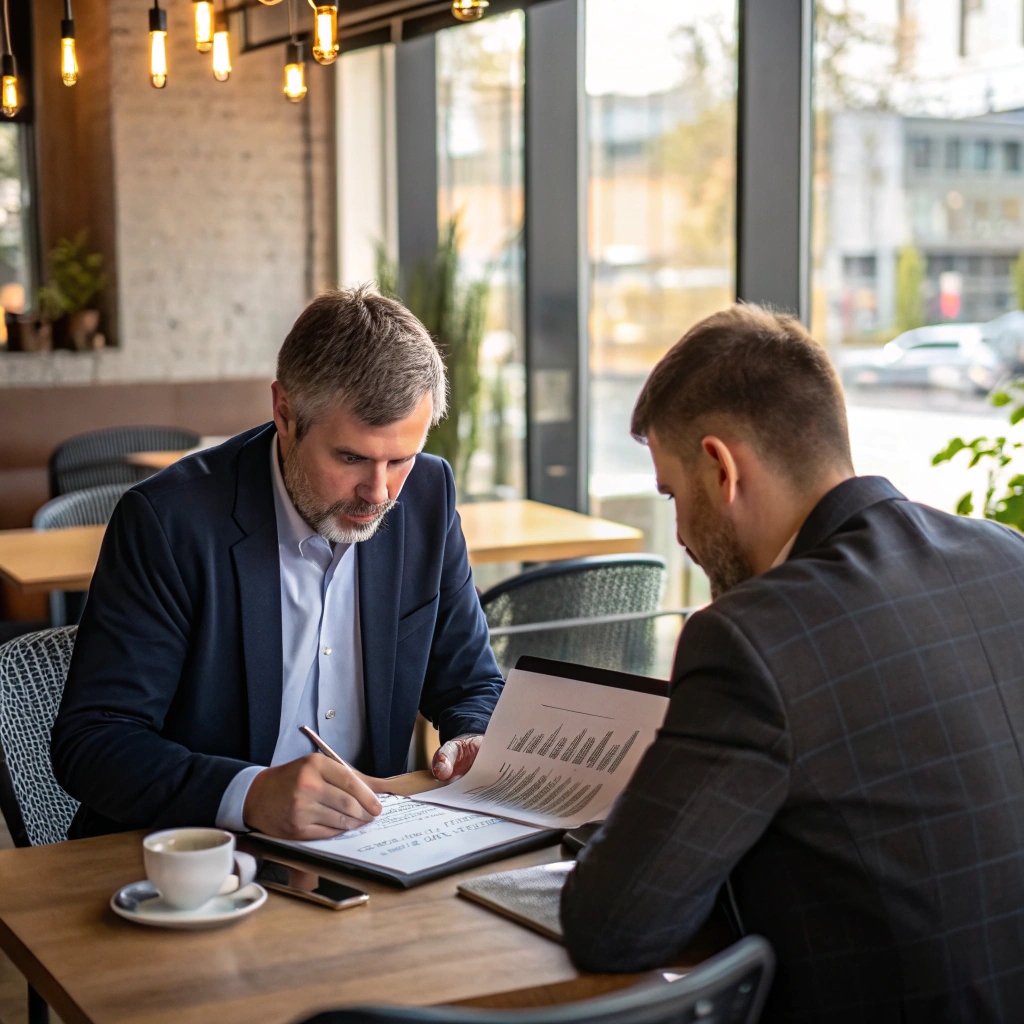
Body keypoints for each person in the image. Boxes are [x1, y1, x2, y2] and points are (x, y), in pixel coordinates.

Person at [560, 303, 1024, 1023]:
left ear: (720, 469)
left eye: (672, 494)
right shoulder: (1006, 556)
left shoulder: (753, 639)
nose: (679, 529)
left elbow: (615, 927)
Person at [51, 287, 503, 840]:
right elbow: (95, 740)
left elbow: (470, 683)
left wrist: (473, 736)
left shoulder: (429, 495)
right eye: (351, 457)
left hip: (372, 847)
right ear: (285, 414)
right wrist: (248, 794)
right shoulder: (168, 522)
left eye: (400, 459)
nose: (380, 492)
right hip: (193, 858)